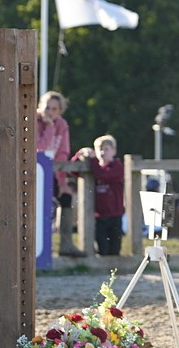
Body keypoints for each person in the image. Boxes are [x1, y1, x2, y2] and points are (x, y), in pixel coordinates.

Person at [37, 91, 84, 257]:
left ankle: (66, 244)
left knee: (65, 198)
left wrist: (62, 182)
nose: (49, 111)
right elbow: (41, 149)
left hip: (54, 171)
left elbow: (63, 152)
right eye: (47, 107)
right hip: (35, 172)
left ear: (60, 110)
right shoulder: (34, 121)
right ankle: (39, 246)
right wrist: (49, 127)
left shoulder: (62, 124)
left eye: (54, 109)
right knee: (41, 206)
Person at [73, 135, 125, 256]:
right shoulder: (94, 166)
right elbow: (73, 171)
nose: (102, 152)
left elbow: (103, 175)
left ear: (114, 151)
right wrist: (79, 155)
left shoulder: (117, 166)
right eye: (99, 149)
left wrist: (92, 161)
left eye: (106, 149)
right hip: (99, 216)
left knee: (114, 249)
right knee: (102, 248)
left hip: (115, 215)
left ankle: (114, 271)